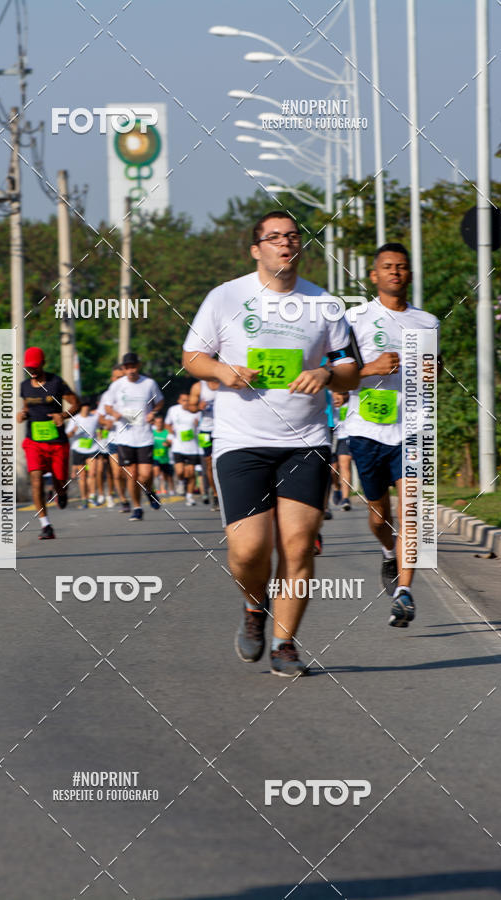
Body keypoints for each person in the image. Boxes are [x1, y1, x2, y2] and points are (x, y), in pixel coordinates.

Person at [182, 210, 359, 676]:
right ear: (256, 248)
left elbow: (350, 367)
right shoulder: (227, 297)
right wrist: (223, 371)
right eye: (274, 237)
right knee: (247, 552)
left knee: (298, 548)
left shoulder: (325, 304)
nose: (286, 243)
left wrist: (326, 372)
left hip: (306, 442)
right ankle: (254, 604)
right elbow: (193, 355)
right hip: (242, 442)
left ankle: (285, 643)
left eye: (293, 237)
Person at [343, 242, 441, 626]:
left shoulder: (428, 322)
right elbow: (340, 374)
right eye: (387, 267)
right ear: (374, 275)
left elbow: (432, 377)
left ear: (410, 275)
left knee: (414, 509)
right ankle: (388, 552)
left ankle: (404, 592)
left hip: (414, 427)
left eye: (401, 267)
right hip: (367, 428)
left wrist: (430, 370)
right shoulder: (355, 319)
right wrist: (371, 368)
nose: (395, 272)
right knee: (379, 515)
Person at [18, 346, 80, 539]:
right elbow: (27, 405)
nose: (32, 371)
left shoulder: (56, 383)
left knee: (60, 481)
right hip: (34, 441)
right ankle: (46, 525)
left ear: (43, 364)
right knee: (36, 479)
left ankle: (61, 492)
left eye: (35, 367)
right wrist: (23, 413)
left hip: (57, 442)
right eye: (29, 368)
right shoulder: (25, 386)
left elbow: (76, 403)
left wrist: (63, 415)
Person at [105, 351, 164, 521]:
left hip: (144, 435)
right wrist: (114, 413)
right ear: (123, 368)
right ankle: (137, 508)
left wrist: (154, 412)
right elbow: (108, 406)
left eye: (133, 366)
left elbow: (159, 401)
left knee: (145, 474)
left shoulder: (149, 383)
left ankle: (149, 490)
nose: (130, 370)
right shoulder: (117, 385)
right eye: (127, 367)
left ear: (138, 366)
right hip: (124, 437)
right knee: (132, 474)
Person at [98, 364, 129, 512]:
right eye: (116, 377)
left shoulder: (130, 392)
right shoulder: (106, 395)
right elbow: (100, 417)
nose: (118, 380)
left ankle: (130, 495)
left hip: (130, 438)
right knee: (116, 472)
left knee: (126, 473)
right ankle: (123, 500)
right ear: (112, 378)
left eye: (121, 377)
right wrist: (107, 422)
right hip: (113, 439)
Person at [165, 392, 201, 506]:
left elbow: (201, 427)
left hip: (192, 447)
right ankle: (180, 481)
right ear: (179, 401)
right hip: (178, 446)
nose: (186, 403)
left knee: (190, 473)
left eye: (188, 400)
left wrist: (197, 425)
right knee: (180, 471)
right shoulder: (173, 410)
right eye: (184, 400)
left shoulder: (196, 412)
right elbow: (167, 424)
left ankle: (189, 496)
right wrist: (170, 434)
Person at [189, 378, 220, 510]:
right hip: (204, 430)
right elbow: (191, 407)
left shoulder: (225, 382)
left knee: (223, 461)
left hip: (224, 429)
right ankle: (215, 494)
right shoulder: (198, 386)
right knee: (209, 463)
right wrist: (197, 407)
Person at [66, 399, 98, 508]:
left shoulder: (94, 418)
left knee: (93, 473)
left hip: (92, 448)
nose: (86, 408)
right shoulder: (75, 419)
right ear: (80, 408)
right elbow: (68, 435)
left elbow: (100, 428)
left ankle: (92, 496)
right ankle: (84, 499)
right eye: (84, 406)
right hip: (78, 449)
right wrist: (73, 431)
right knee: (82, 476)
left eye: (88, 406)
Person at [331, 391, 353, 511]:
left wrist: (342, 396)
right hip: (330, 436)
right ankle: (337, 488)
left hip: (345, 436)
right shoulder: (326, 391)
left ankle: (345, 499)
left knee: (345, 465)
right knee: (332, 471)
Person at [152, 414, 174, 495]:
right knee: (156, 472)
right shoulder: (152, 433)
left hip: (165, 457)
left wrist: (168, 443)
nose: (159, 424)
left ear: (163, 423)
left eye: (160, 422)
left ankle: (167, 489)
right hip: (155, 456)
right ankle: (157, 489)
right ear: (154, 423)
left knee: (166, 475)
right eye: (157, 422)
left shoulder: (166, 432)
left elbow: (170, 442)